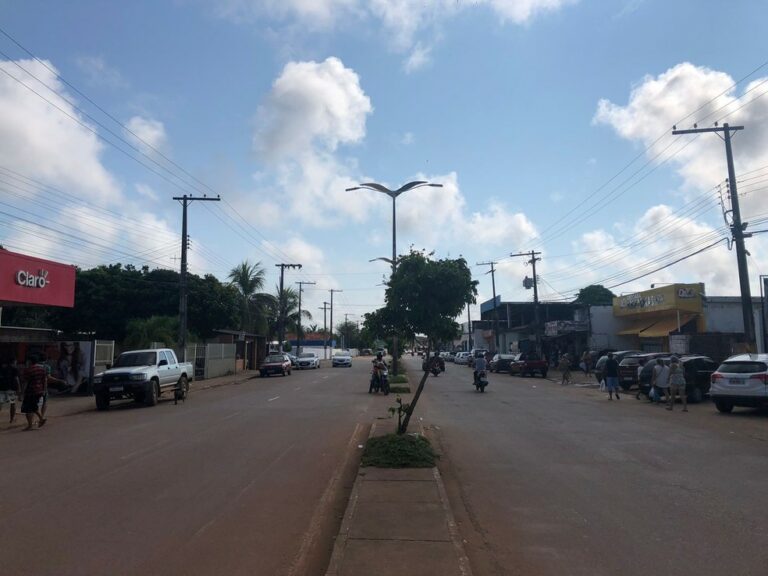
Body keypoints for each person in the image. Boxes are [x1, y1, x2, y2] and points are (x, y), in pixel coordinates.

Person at [20, 354, 48, 430]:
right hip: (39, 391)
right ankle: (41, 419)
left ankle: (30, 425)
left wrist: (22, 393)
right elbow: (45, 380)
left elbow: (25, 382)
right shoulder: (42, 369)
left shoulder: (27, 370)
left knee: (27, 408)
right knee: (33, 407)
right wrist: (44, 390)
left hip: (30, 391)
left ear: (30, 361)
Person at [0, 358, 20, 424]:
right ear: (14, 362)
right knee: (12, 404)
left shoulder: (2, 368)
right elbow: (16, 379)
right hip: (11, 388)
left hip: (2, 388)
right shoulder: (15, 369)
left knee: (1, 403)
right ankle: (12, 419)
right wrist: (19, 389)